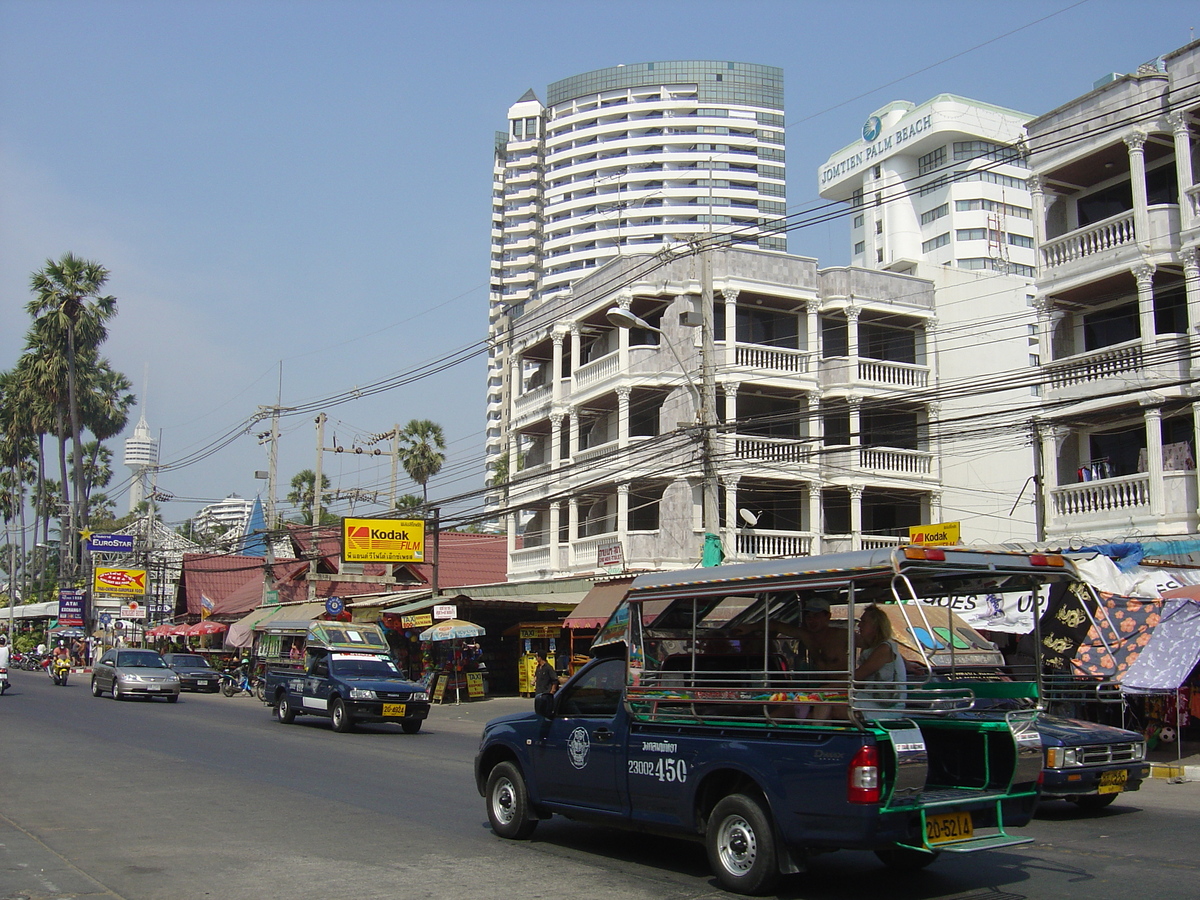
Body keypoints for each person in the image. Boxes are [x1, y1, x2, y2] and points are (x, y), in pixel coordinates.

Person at [852, 604, 908, 712]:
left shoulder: (884, 649)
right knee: (826, 703)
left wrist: (831, 686)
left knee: (831, 706)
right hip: (870, 698)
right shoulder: (870, 648)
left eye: (864, 622)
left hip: (886, 705)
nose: (859, 625)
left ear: (875, 626)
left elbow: (858, 675)